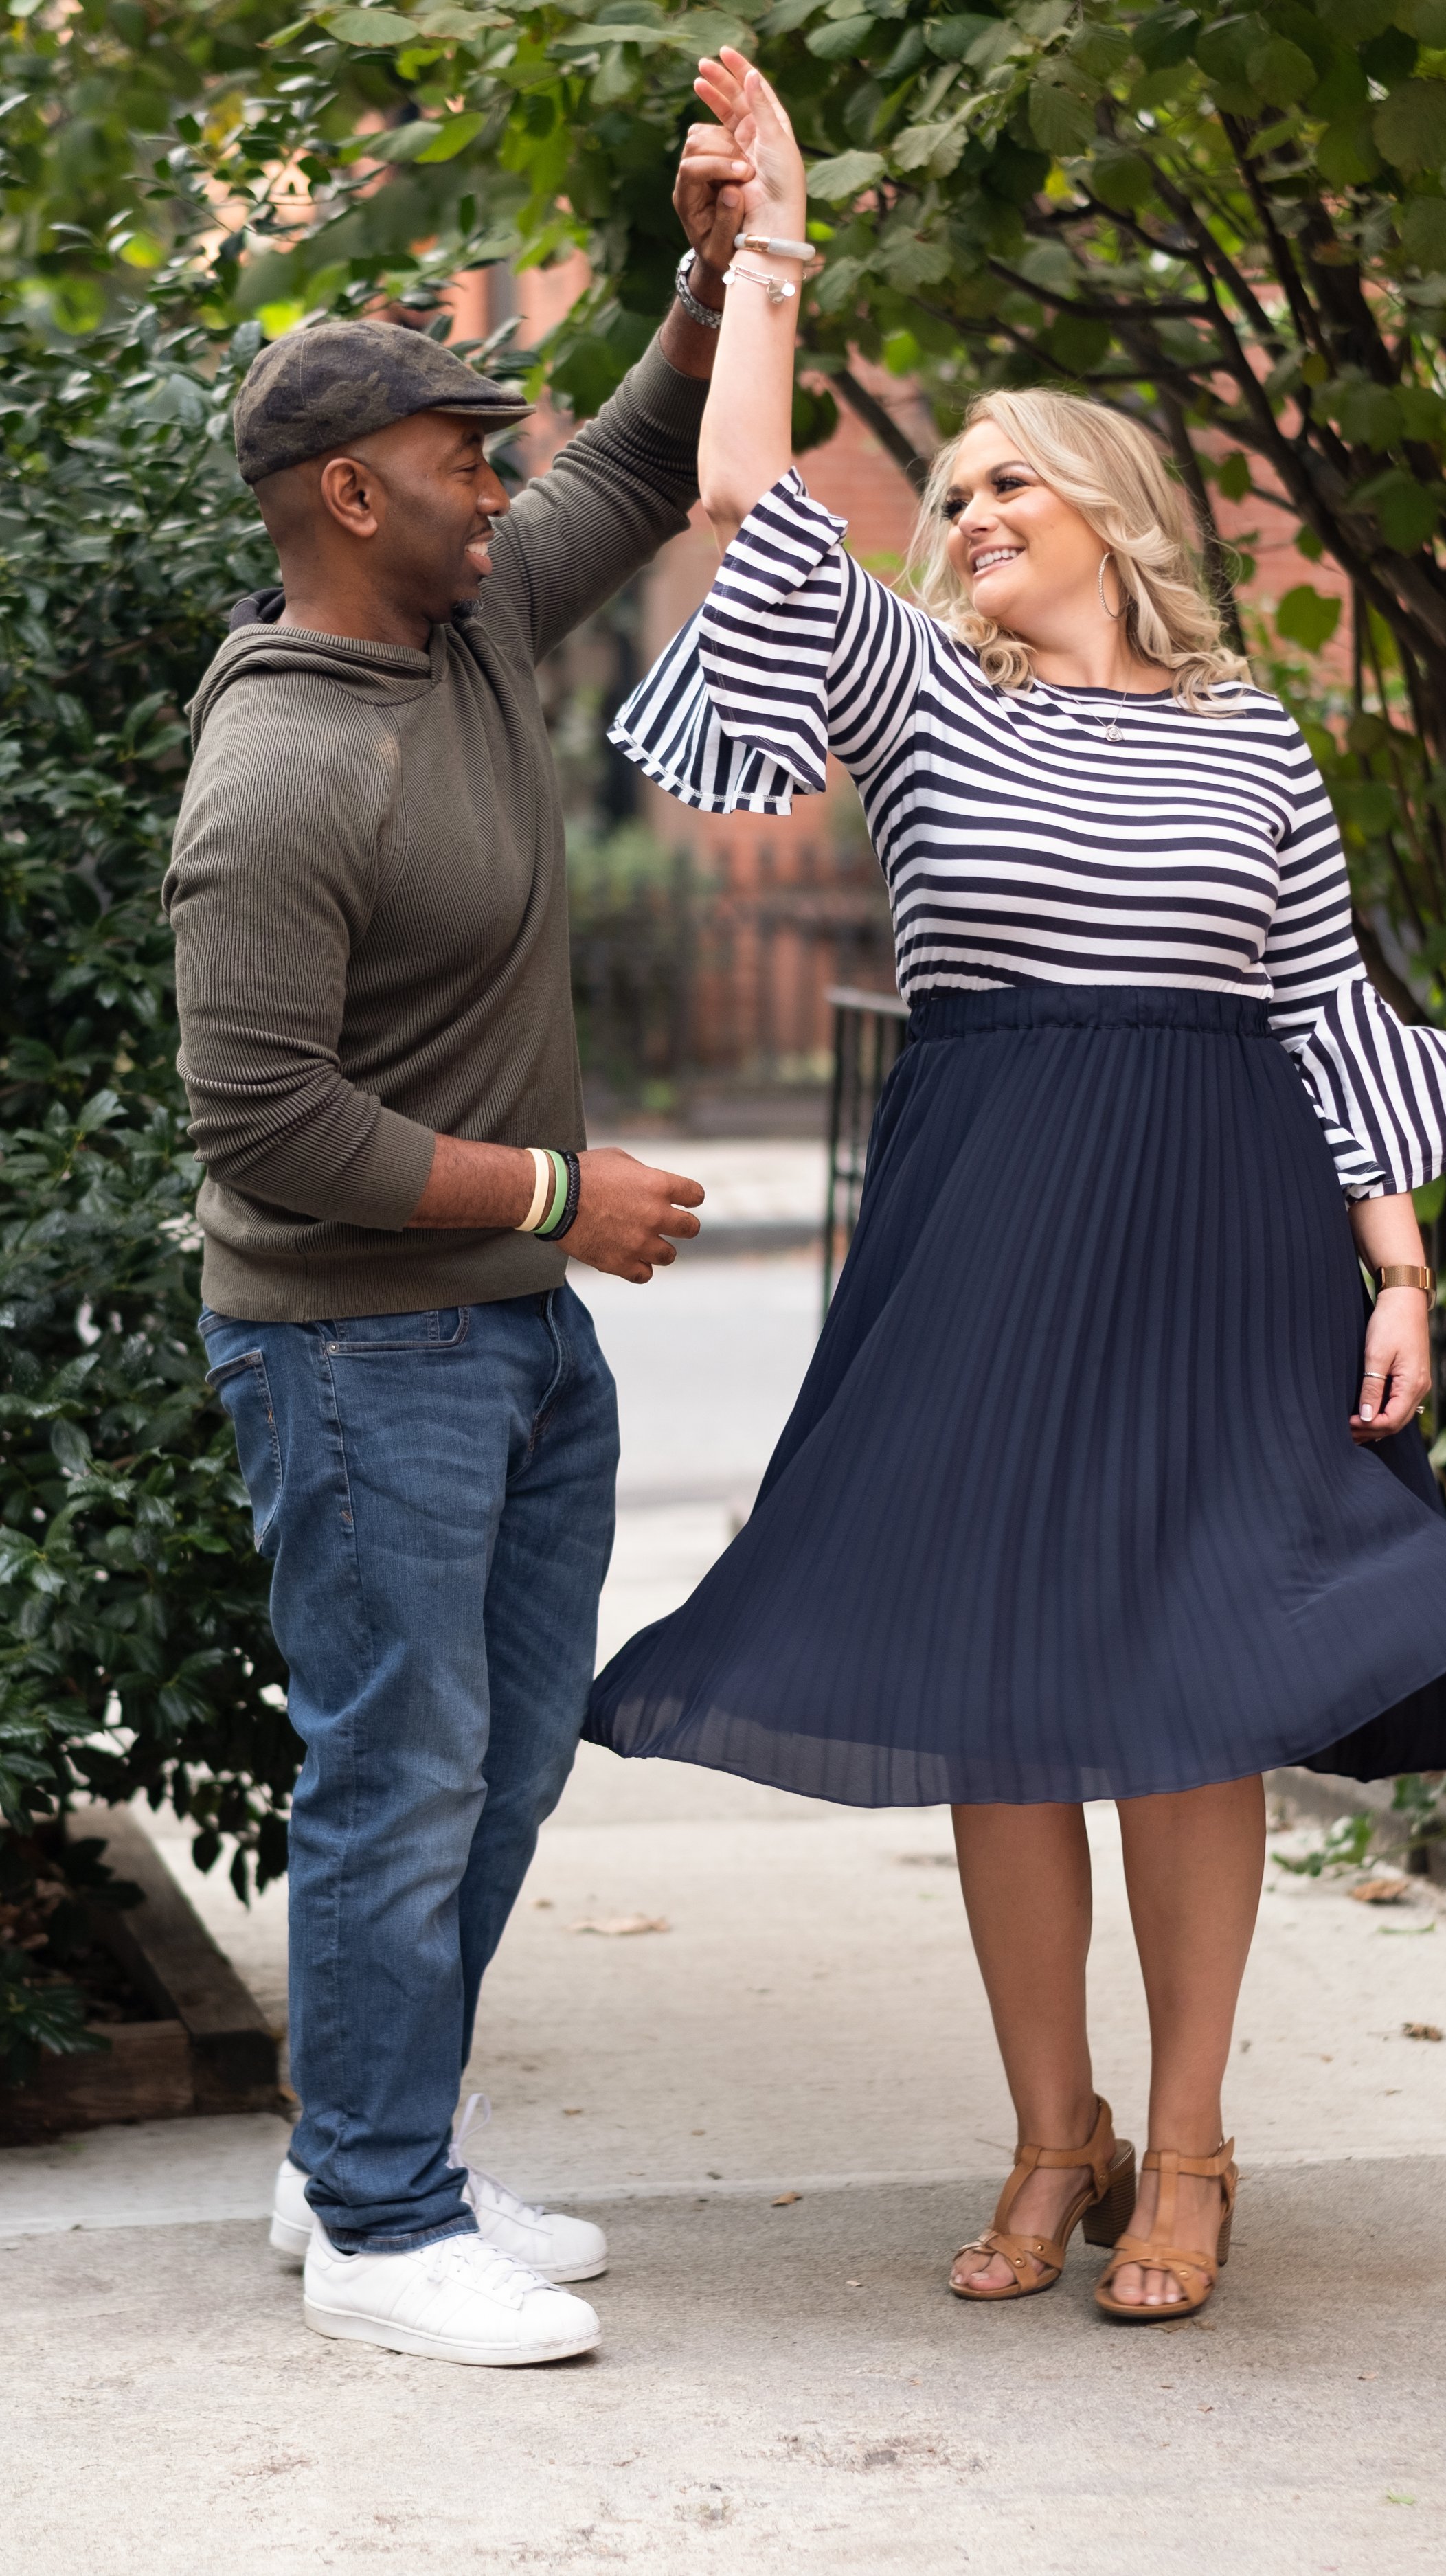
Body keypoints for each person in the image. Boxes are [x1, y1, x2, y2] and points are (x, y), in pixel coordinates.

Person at [585, 53, 1446, 2323]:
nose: (975, 512)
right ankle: (1054, 2136)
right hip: (994, 1221)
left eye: (1015, 480)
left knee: (1191, 1688)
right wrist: (775, 258)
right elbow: (747, 484)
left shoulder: (1247, 739)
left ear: (1119, 515)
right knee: (1004, 1694)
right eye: (961, 494)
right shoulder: (934, 699)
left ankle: (1190, 2142)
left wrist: (1393, 1257)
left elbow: (1323, 999)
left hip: (1223, 1232)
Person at [164, 133, 758, 2368]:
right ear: (344, 495)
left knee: (498, 1762)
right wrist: (551, 1193)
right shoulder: (288, 779)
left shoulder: (474, 617)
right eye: (455, 456)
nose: (499, 485)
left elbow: (633, 453)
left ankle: (371, 2137)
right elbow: (264, 1123)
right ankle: (384, 2226)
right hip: (360, 1354)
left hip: (507, 1340)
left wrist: (703, 282)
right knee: (400, 1769)